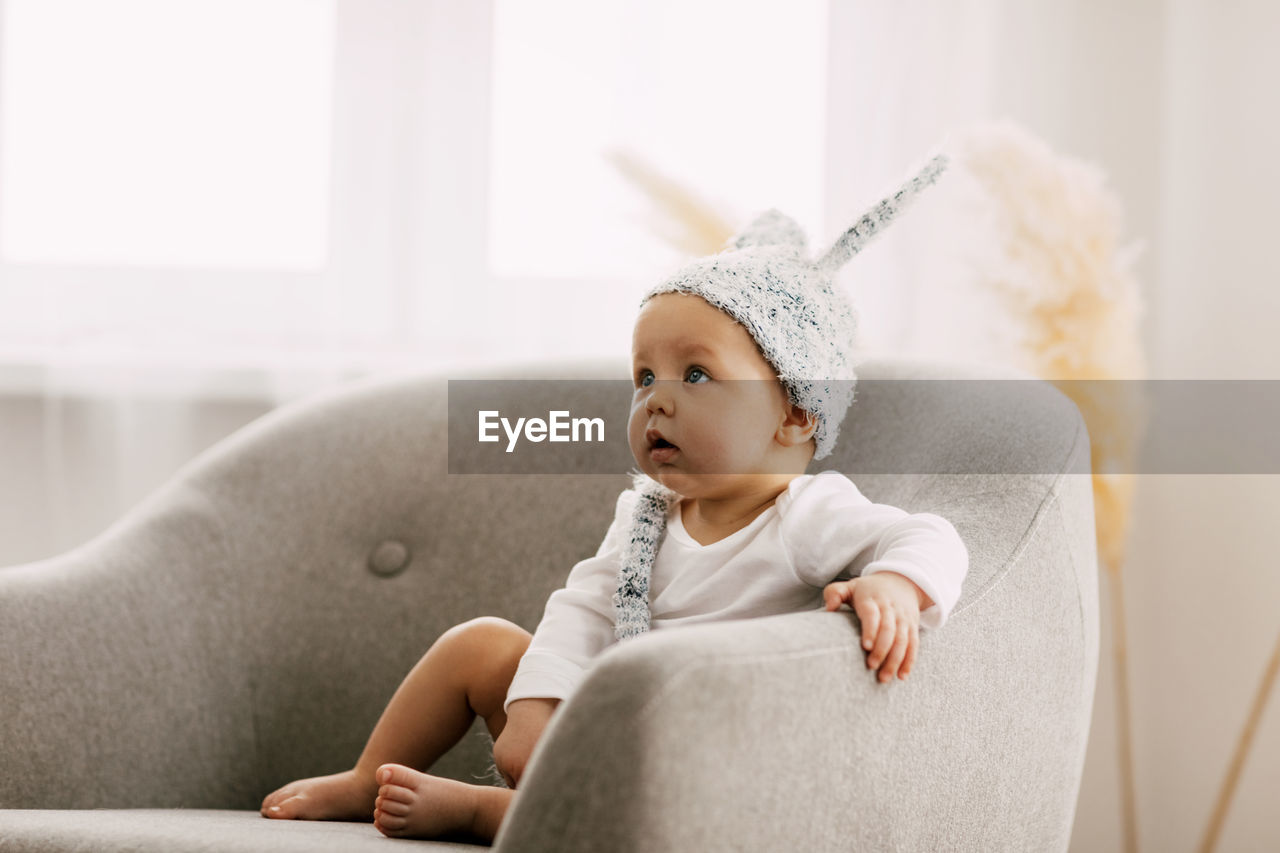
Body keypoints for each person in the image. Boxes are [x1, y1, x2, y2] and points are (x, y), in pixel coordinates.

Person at [260, 152, 968, 843]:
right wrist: (537, 706)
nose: (657, 400)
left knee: (628, 822)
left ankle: (483, 813)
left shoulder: (804, 514)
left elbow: (931, 535)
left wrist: (896, 587)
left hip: (687, 752)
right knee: (477, 643)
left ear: (797, 412)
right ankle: (365, 777)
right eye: (643, 376)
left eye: (695, 375)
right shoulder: (648, 514)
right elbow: (588, 605)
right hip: (595, 716)